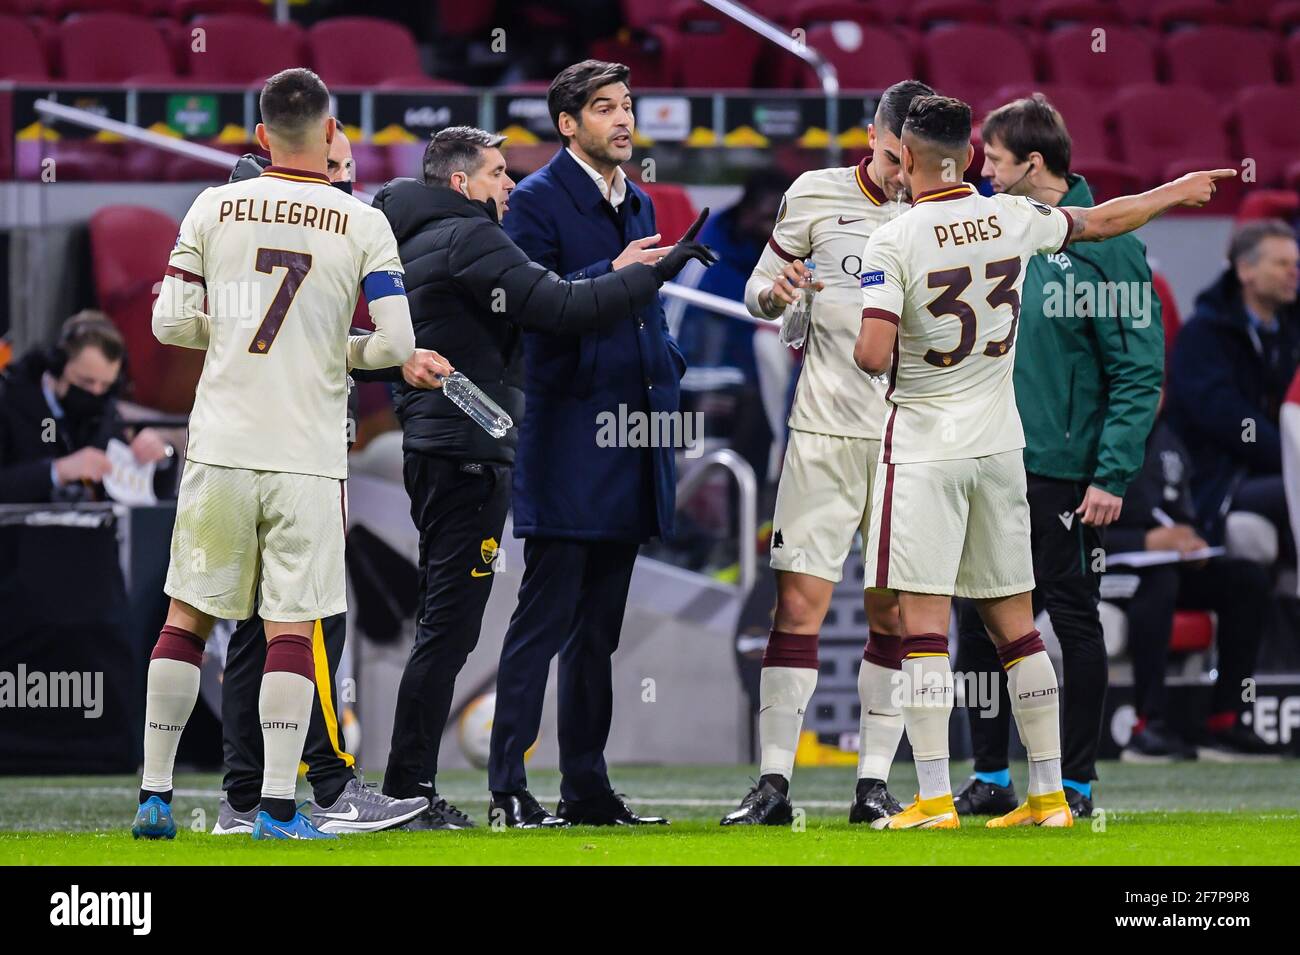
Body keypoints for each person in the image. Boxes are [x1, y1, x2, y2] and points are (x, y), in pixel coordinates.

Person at [853, 93, 1230, 829]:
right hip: (1003, 451)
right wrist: (1178, 191)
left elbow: (871, 352)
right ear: (966, 158)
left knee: (926, 625)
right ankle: (1051, 794)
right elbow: (1102, 219)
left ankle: (932, 796)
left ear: (913, 158)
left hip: (930, 447)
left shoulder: (894, 238)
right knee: (1019, 629)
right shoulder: (1012, 219)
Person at [369, 126, 713, 828]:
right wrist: (649, 271)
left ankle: (416, 784)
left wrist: (616, 275)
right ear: (461, 183)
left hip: (443, 448)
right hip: (470, 453)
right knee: (450, 627)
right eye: (497, 173)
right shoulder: (473, 237)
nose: (508, 185)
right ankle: (412, 787)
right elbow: (558, 307)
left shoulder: (412, 239)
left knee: (447, 625)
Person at [131, 68, 415, 841]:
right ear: (330, 135)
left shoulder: (212, 205)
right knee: (292, 627)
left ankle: (155, 795)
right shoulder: (360, 221)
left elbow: (167, 323)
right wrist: (335, 347)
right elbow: (396, 343)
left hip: (219, 444)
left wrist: (231, 335)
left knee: (186, 617)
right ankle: (281, 810)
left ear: (260, 137)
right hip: (305, 454)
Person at [485, 59, 698, 827]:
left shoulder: (636, 199)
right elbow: (529, 308)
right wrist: (613, 269)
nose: (623, 118)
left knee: (597, 635)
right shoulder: (536, 201)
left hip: (633, 438)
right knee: (540, 625)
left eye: (628, 104)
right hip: (570, 435)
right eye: (604, 107)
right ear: (567, 124)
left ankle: (586, 788)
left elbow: (637, 307)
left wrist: (666, 357)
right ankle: (507, 784)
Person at [720, 80, 934, 828]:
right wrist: (776, 295)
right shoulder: (813, 193)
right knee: (798, 607)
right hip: (821, 433)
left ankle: (873, 783)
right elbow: (755, 291)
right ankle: (773, 783)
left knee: (896, 616)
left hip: (910, 444)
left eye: (916, 157)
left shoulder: (939, 214)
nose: (904, 169)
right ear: (873, 136)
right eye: (894, 153)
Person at [213, 124, 429, 836]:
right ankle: (332, 786)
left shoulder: (232, 214)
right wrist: (386, 353)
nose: (345, 179)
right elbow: (311, 336)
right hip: (296, 449)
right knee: (308, 622)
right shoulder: (326, 225)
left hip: (236, 446)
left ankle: (241, 799)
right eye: (336, 165)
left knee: (253, 630)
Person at [953, 94, 1164, 819]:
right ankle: (991, 773)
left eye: (996, 159)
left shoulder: (1112, 247)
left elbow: (1139, 370)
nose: (983, 171)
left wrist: (1112, 474)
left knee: (1071, 622)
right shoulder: (1000, 231)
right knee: (978, 623)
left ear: (1032, 164)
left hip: (1064, 472)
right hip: (992, 463)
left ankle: (1074, 780)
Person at [1106, 415, 1279, 761]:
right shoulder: (1097, 434)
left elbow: (1180, 514)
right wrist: (1143, 542)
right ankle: (1147, 724)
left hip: (1165, 565)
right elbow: (1068, 525)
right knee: (1159, 581)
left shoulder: (1169, 440)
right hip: (1106, 565)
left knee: (1246, 581)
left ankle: (1225, 719)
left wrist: (1190, 540)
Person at [1167, 220, 1300, 548]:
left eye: (1296, 264)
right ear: (1245, 271)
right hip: (1219, 478)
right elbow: (1228, 420)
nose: (1293, 272)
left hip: (1273, 468)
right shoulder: (1203, 335)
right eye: (1281, 263)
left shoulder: (1289, 332)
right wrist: (1290, 455)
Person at [0, 311, 172, 503]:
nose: (96, 392)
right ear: (57, 366)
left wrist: (160, 459)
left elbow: (142, 494)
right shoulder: (9, 401)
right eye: (86, 382)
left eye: (106, 385)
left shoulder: (105, 412)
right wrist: (58, 471)